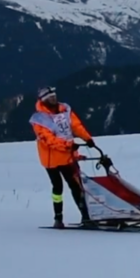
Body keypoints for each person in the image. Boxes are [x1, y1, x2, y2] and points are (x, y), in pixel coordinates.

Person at [29, 86, 97, 229]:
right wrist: (68, 146)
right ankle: (58, 218)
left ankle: (86, 217)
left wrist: (87, 138)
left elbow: (76, 126)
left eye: (54, 96)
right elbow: (48, 140)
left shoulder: (65, 110)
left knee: (76, 187)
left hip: (68, 157)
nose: (53, 98)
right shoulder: (39, 119)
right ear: (43, 100)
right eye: (49, 97)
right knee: (58, 187)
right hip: (52, 160)